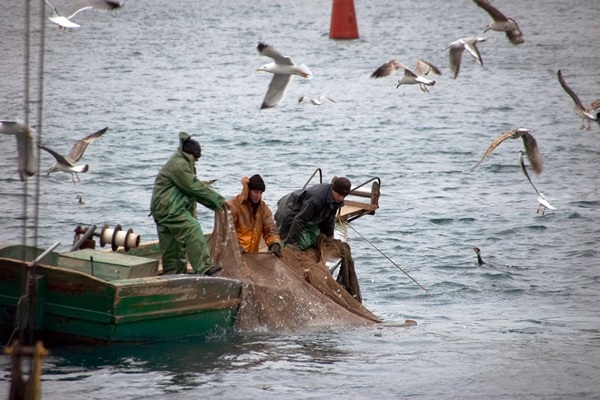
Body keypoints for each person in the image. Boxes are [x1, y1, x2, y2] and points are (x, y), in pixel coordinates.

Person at [150, 132, 226, 275]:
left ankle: (173, 276)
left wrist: (214, 206)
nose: (196, 161)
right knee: (192, 229)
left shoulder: (179, 162)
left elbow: (191, 193)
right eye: (196, 158)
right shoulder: (179, 164)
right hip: (169, 210)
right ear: (189, 154)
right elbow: (194, 187)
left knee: (173, 247)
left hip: (161, 210)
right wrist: (221, 202)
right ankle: (204, 267)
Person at [274, 177, 351, 251]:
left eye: (344, 196)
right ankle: (283, 244)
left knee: (316, 241)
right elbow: (300, 220)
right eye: (339, 195)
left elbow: (329, 220)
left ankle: (305, 233)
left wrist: (329, 238)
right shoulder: (316, 199)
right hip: (290, 210)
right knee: (303, 244)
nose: (341, 198)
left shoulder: (336, 200)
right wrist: (292, 243)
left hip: (308, 217)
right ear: (333, 190)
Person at [227, 174, 282, 257]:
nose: (258, 195)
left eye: (260, 192)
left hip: (252, 256)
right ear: (248, 190)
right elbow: (227, 232)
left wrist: (274, 243)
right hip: (234, 255)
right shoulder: (233, 205)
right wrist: (237, 248)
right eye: (256, 192)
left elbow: (270, 228)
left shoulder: (263, 208)